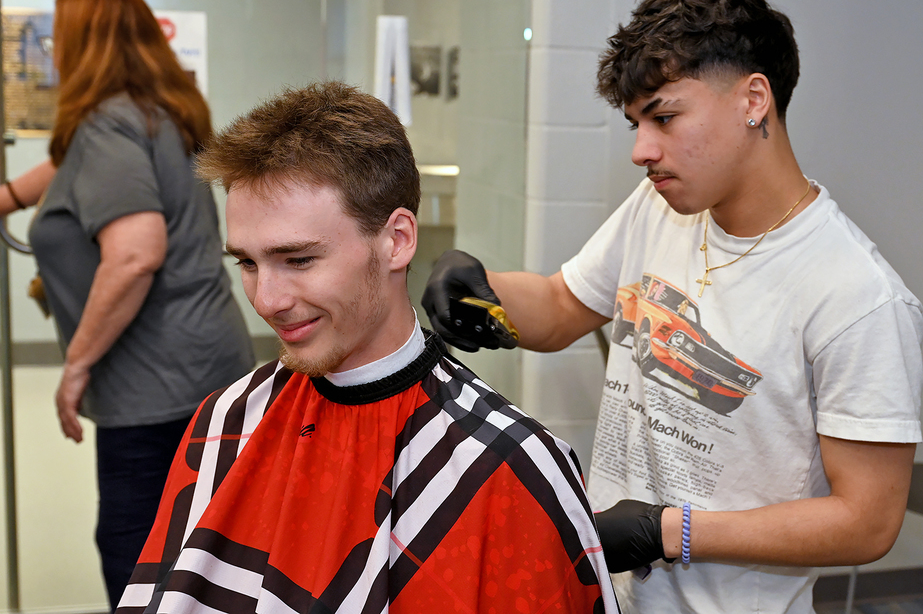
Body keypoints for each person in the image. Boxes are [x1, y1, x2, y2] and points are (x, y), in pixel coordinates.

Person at [422, 0, 923, 614]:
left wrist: (669, 533)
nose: (641, 150)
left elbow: (867, 522)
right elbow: (559, 307)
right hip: (612, 595)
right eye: (636, 123)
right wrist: (479, 287)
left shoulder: (857, 295)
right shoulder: (661, 209)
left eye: (663, 117)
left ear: (753, 100)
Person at [115, 81, 618, 613]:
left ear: (397, 240)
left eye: (299, 260)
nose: (266, 299)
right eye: (246, 262)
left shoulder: (509, 469)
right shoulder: (228, 421)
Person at [24, 0, 255, 609]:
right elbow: (73, 166)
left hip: (154, 384)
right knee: (208, 558)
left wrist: (76, 367)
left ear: (85, 45)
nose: (52, 52)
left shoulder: (106, 123)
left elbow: (133, 255)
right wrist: (15, 195)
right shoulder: (160, 111)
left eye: (58, 38)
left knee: (140, 563)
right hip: (210, 365)